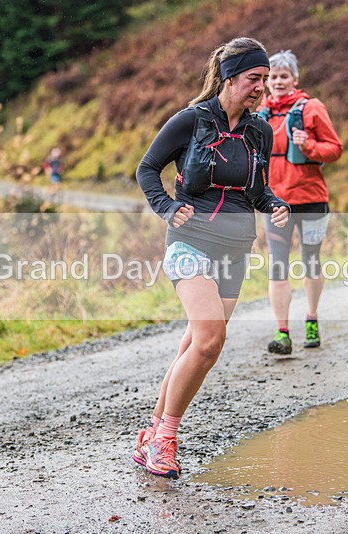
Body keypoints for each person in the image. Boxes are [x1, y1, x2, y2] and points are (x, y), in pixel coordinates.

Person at [134, 37, 290, 478]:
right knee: (209, 340)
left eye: (264, 79)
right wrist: (167, 207)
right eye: (253, 78)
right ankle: (165, 440)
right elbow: (147, 169)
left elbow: (257, 189)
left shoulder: (260, 131)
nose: (260, 87)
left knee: (194, 345)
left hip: (235, 249)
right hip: (190, 242)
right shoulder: (191, 120)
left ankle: (151, 433)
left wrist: (274, 203)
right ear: (229, 77)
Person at [256, 50, 343, 355]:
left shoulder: (312, 108)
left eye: (284, 76)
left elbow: (335, 149)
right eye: (273, 77)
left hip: (311, 199)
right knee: (278, 267)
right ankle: (282, 332)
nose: (278, 82)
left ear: (295, 79)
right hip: (275, 202)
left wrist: (310, 146)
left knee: (311, 263)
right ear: (266, 81)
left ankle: (312, 318)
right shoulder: (260, 113)